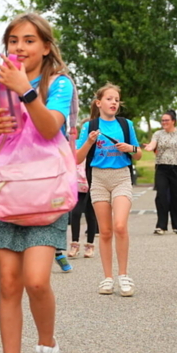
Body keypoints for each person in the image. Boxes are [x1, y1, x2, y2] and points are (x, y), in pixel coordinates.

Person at [0, 12, 75, 353]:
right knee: (8, 284)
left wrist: (25, 91)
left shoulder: (58, 83)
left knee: (36, 281)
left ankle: (47, 352)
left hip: (47, 194)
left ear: (46, 47)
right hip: (8, 194)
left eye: (29, 40)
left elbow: (51, 128)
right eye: (13, 40)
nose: (20, 47)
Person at [75, 84, 140, 297]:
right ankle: (108, 278)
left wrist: (130, 148)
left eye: (116, 100)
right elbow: (77, 158)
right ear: (99, 103)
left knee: (120, 226)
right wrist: (89, 142)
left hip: (121, 177)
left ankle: (124, 276)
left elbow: (139, 153)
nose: (114, 102)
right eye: (109, 99)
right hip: (99, 179)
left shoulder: (126, 124)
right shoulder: (89, 126)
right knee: (104, 231)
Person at [144, 110, 177, 234]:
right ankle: (161, 225)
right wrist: (149, 147)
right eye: (162, 120)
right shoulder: (158, 134)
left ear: (173, 121)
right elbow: (153, 143)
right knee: (161, 195)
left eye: (167, 120)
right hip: (162, 167)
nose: (164, 122)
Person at [67, 159, 97, 260]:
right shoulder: (74, 149)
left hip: (91, 184)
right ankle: (74, 244)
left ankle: (90, 245)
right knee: (75, 213)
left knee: (90, 215)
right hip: (77, 186)